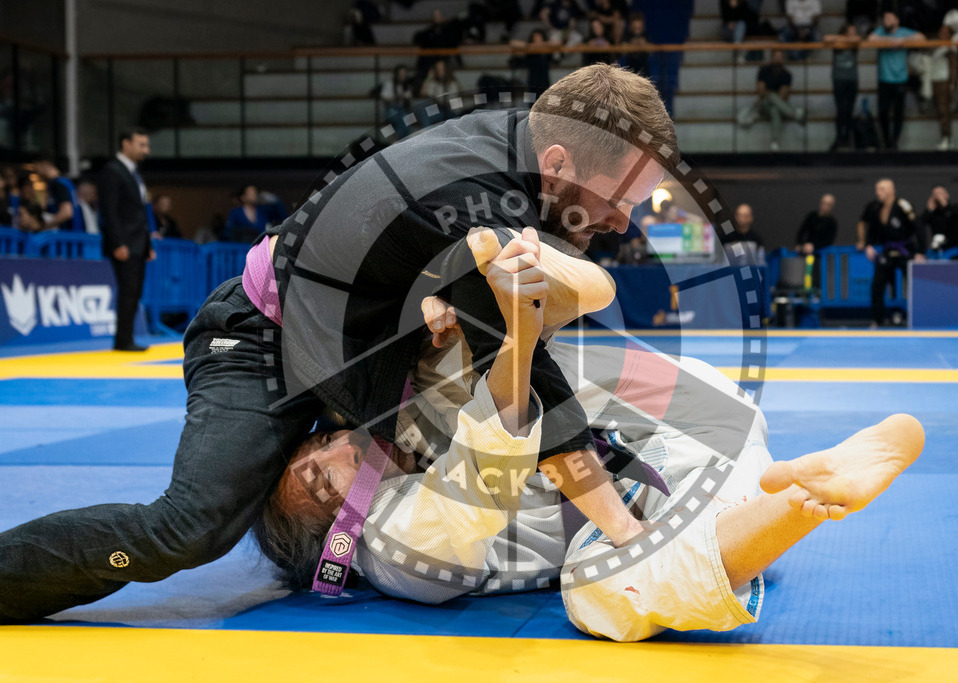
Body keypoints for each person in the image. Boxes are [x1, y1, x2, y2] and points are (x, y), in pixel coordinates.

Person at [0, 64, 678, 624]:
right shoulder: (476, 200)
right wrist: (628, 536)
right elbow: (533, 385)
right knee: (191, 527)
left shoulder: (518, 149)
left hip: (352, 351)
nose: (624, 222)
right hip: (263, 340)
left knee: (490, 377)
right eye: (621, 199)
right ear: (557, 162)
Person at [255, 227, 925, 642]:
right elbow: (481, 472)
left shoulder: (393, 415)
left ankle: (780, 504)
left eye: (320, 444)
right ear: (333, 540)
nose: (339, 451)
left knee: (603, 584)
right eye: (321, 478)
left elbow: (499, 425)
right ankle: (786, 495)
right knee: (626, 559)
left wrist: (482, 321)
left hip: (653, 417)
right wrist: (512, 339)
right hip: (685, 420)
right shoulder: (394, 549)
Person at [99, 128, 155, 352]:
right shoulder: (112, 171)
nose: (146, 150)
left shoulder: (133, 173)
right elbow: (109, 212)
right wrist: (117, 243)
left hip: (138, 243)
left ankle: (126, 338)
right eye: (141, 144)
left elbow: (140, 214)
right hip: (124, 243)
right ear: (126, 143)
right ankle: (123, 340)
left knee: (134, 291)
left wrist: (148, 245)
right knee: (128, 290)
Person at [856, 179, 925, 327]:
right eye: (877, 189)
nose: (877, 192)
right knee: (877, 286)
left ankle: (920, 319)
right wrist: (868, 244)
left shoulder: (903, 205)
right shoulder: (875, 208)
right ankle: (879, 320)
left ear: (890, 190)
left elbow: (918, 227)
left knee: (915, 285)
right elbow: (870, 228)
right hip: (887, 252)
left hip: (905, 251)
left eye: (881, 189)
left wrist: (921, 252)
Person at [868, 11, 925, 151]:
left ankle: (894, 142)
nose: (886, 21)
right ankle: (886, 140)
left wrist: (903, 41)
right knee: (883, 112)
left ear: (896, 21)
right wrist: (893, 42)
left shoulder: (903, 32)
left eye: (889, 18)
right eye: (884, 18)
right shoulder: (880, 31)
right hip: (884, 79)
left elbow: (921, 38)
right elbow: (871, 39)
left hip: (900, 79)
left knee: (899, 113)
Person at [737, 50, 807, 152]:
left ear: (783, 59)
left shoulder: (786, 74)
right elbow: (761, 92)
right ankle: (795, 114)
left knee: (774, 108)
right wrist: (770, 94)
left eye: (780, 57)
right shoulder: (763, 70)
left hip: (777, 106)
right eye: (775, 56)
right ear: (771, 57)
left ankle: (774, 142)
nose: (777, 59)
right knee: (771, 97)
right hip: (763, 106)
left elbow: (783, 96)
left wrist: (769, 93)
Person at [826, 23, 862, 150]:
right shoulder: (838, 43)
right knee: (841, 110)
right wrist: (844, 39)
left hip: (852, 79)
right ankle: (840, 138)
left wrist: (849, 39)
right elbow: (827, 39)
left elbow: (858, 39)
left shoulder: (854, 44)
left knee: (850, 110)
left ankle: (848, 137)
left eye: (854, 32)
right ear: (844, 33)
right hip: (839, 79)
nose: (853, 35)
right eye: (850, 32)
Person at [33, 156, 84, 233]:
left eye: (37, 166)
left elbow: (67, 212)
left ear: (45, 164)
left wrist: (43, 227)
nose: (37, 171)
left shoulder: (58, 184)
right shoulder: (65, 181)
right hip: (74, 235)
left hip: (66, 236)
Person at [930, 25, 958, 150]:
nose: (942, 34)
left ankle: (946, 137)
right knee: (939, 109)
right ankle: (945, 137)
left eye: (945, 32)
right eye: (940, 31)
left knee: (944, 110)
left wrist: (952, 83)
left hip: (944, 80)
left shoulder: (950, 48)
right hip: (935, 79)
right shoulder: (937, 47)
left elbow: (954, 67)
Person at [921, 185, 958, 258]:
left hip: (956, 248)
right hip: (939, 248)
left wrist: (946, 205)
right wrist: (929, 210)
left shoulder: (954, 208)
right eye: (935, 194)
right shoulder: (933, 212)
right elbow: (922, 222)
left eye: (940, 193)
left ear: (946, 195)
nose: (938, 197)